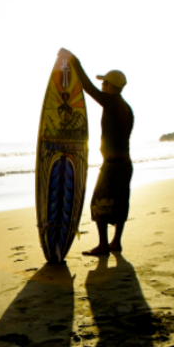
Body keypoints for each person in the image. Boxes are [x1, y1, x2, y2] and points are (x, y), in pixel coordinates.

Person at [59, 49, 134, 256]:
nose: (102, 86)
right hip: (125, 164)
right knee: (120, 202)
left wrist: (74, 61)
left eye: (104, 84)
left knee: (98, 202)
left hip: (113, 166)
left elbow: (88, 88)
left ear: (111, 86)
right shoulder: (126, 108)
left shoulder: (112, 103)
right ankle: (116, 243)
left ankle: (103, 245)